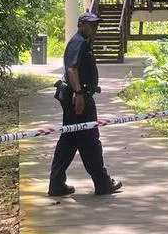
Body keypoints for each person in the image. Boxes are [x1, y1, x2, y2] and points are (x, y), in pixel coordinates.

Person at [47, 11, 123, 196]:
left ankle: (57, 183)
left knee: (70, 140)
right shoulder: (78, 42)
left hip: (76, 96)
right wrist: (79, 93)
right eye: (91, 25)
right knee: (90, 139)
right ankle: (102, 183)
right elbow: (71, 69)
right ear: (81, 25)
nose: (94, 28)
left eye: (96, 25)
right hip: (77, 98)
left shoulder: (83, 42)